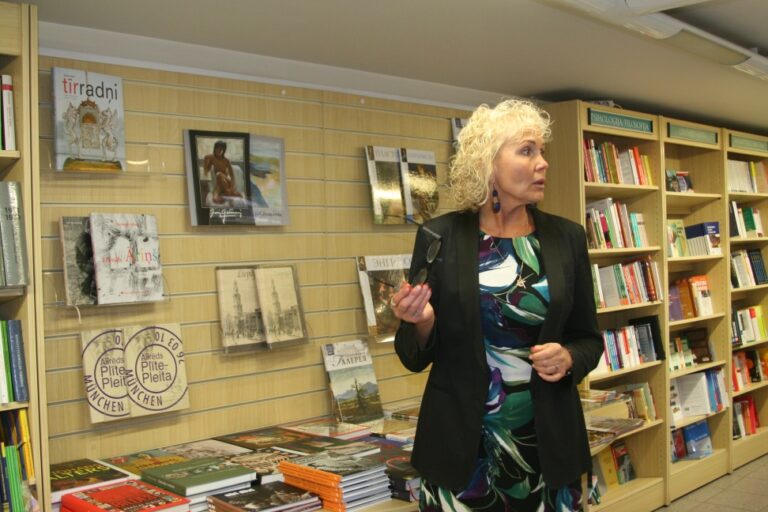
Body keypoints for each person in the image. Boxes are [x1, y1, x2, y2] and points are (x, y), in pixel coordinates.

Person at [391, 98, 603, 511]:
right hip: (461, 453)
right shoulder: (439, 237)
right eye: (527, 150)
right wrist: (422, 321)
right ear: (488, 163)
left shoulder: (567, 238)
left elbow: (588, 339)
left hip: (546, 447)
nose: (542, 163)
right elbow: (413, 355)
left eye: (541, 151)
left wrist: (568, 357)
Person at [203, 140, 243, 205]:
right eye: (217, 148)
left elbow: (232, 175)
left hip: (226, 182)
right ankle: (228, 194)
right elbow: (206, 169)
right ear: (214, 149)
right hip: (219, 184)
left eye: (221, 149)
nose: (219, 150)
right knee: (215, 199)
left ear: (224, 150)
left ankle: (228, 192)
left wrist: (232, 186)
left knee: (219, 174)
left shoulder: (226, 161)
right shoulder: (212, 158)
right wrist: (206, 162)